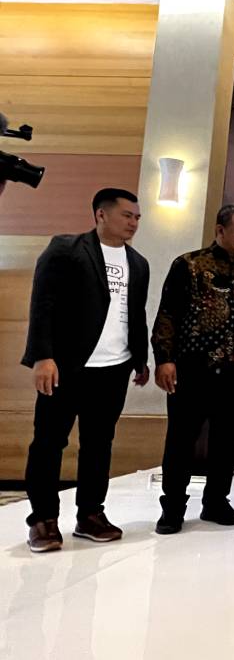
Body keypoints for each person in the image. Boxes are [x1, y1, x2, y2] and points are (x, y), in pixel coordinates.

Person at [21, 188, 150, 553]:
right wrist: (42, 357)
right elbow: (42, 304)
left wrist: (140, 358)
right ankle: (43, 519)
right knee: (49, 443)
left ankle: (90, 514)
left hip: (113, 369)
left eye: (137, 217)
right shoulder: (66, 249)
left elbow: (136, 313)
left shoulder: (138, 262)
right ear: (100, 215)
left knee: (98, 444)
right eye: (127, 215)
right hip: (65, 367)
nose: (133, 223)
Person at [152, 204, 234, 534]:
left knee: (226, 441)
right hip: (191, 369)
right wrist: (164, 359)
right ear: (219, 231)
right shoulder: (188, 264)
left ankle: (216, 501)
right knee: (181, 440)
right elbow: (168, 313)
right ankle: (173, 506)